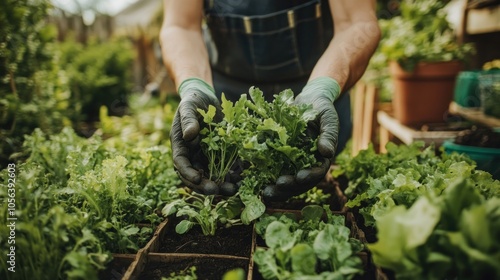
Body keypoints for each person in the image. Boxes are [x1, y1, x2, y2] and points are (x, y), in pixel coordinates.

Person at [160, 0, 380, 201]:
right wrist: (195, 87)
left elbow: (357, 22)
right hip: (226, 102)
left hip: (313, 95)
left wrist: (322, 88)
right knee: (225, 193)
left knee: (311, 184)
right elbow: (181, 26)